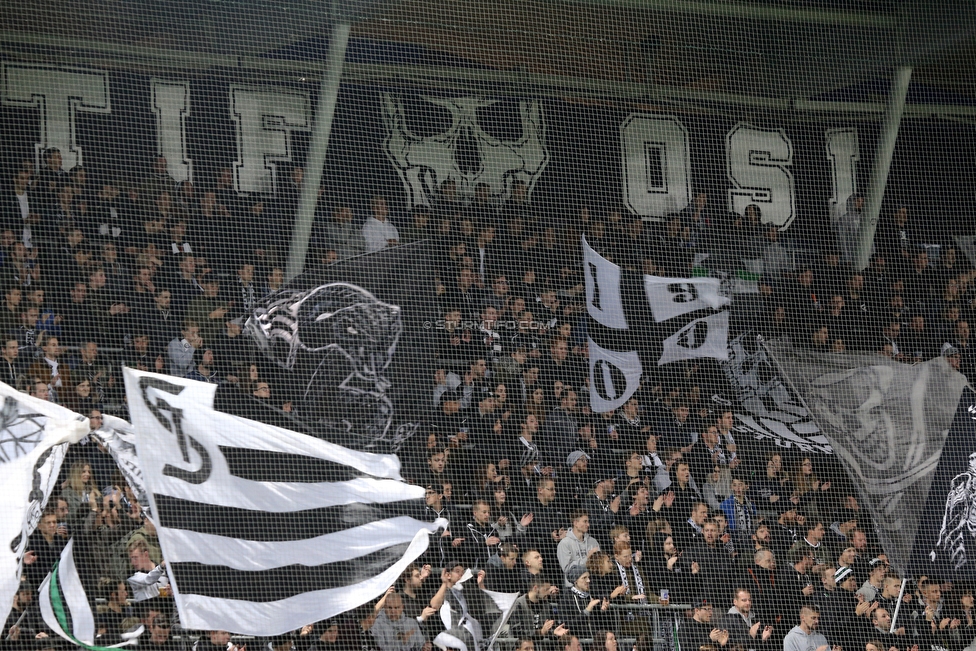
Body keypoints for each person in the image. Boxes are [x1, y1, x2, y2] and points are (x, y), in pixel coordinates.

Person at [557, 510, 601, 585]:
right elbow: (567, 569)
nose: (588, 524)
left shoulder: (593, 542)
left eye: (588, 521)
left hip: (592, 584)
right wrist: (587, 558)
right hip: (572, 587)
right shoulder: (564, 543)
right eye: (585, 521)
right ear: (575, 523)